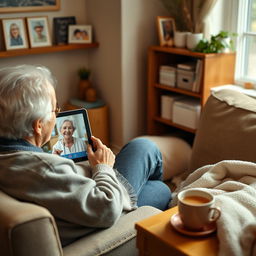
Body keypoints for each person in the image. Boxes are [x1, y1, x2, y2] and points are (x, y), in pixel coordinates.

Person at [0, 65, 171, 246]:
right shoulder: (46, 169)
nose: (57, 115)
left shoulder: (14, 159)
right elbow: (107, 208)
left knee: (148, 164)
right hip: (106, 215)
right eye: (54, 110)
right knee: (152, 168)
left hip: (80, 208)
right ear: (38, 125)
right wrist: (102, 167)